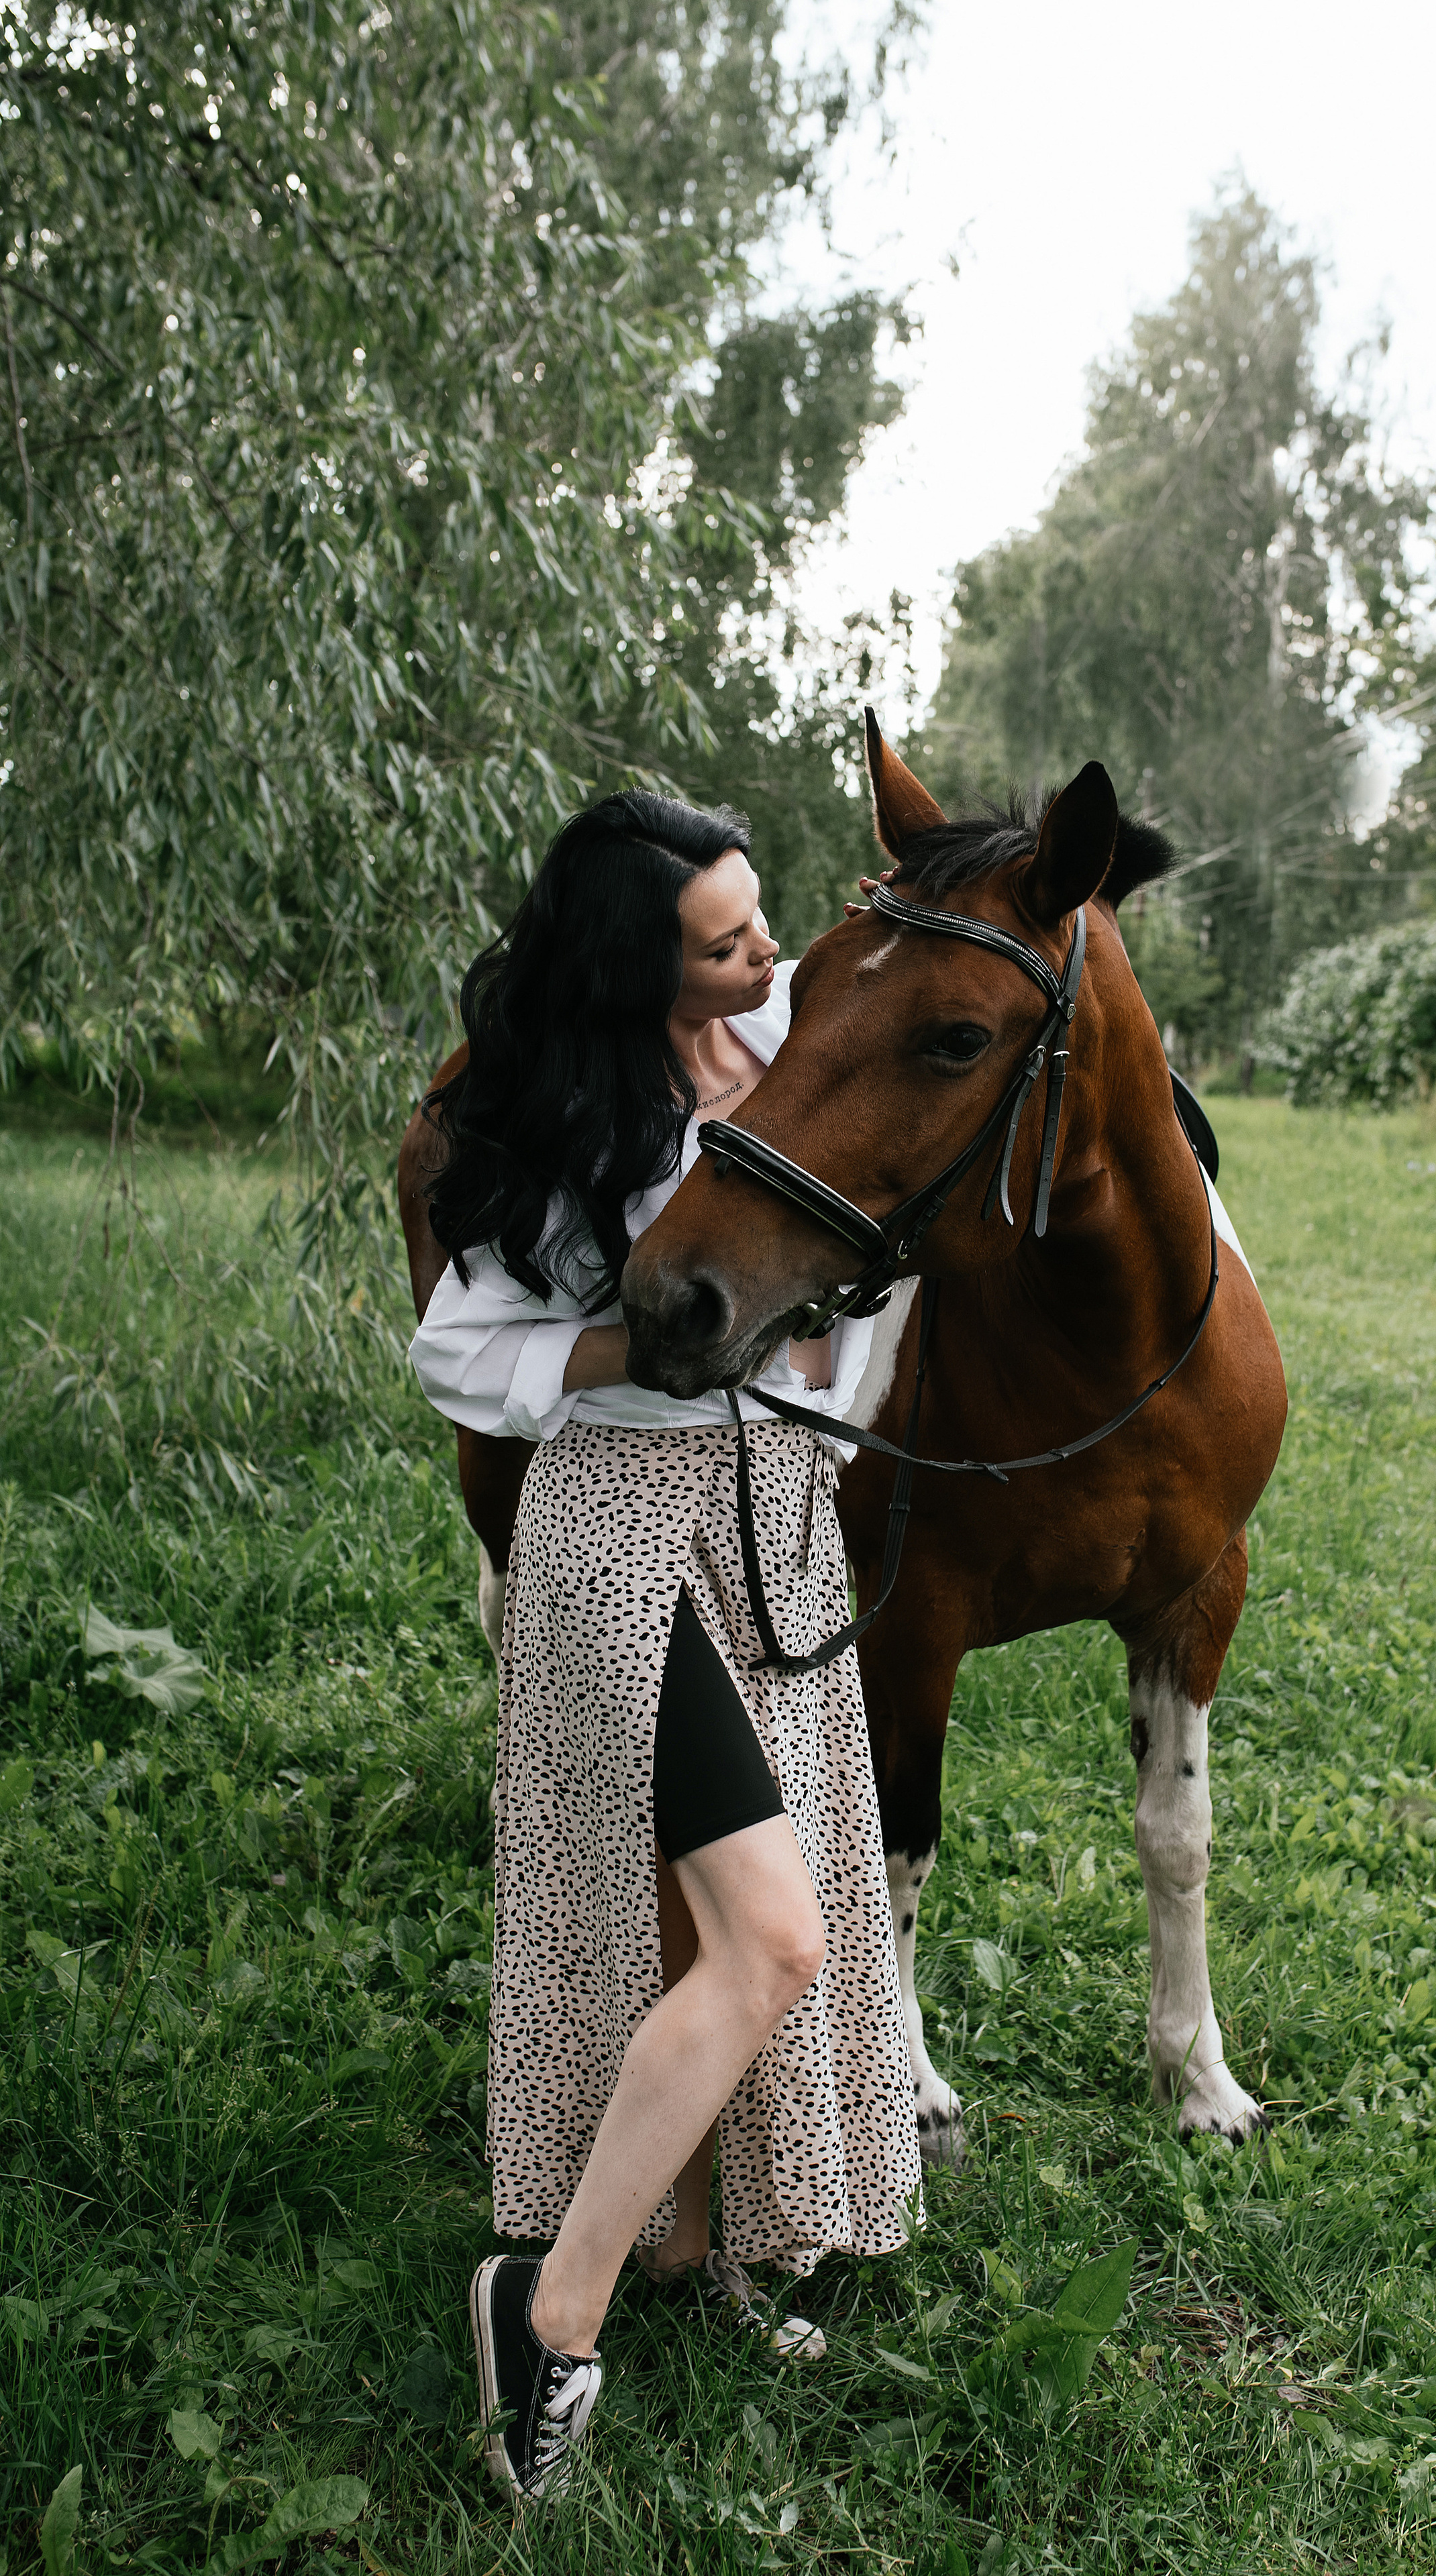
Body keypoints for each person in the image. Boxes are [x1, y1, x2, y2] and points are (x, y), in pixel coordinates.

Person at [409, 792, 919, 2506]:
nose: (762, 955)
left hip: (771, 1517)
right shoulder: (560, 1120)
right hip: (624, 1537)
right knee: (773, 1941)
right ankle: (547, 2314)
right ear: (642, 969)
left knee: (707, 1922)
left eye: (762, 920)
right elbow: (462, 1355)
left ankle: (698, 2252)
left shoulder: (775, 1051)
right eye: (725, 942)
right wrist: (647, 1348)